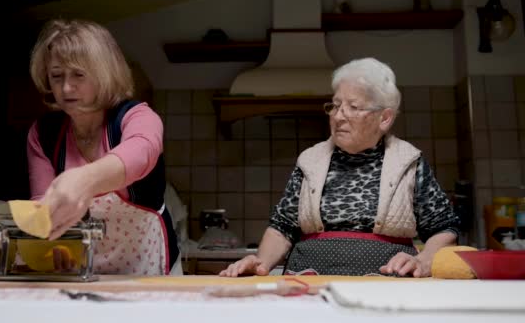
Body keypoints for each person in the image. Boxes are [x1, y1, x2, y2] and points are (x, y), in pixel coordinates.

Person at [220, 57, 460, 278]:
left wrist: (425, 260)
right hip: (307, 285)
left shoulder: (408, 161)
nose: (338, 116)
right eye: (335, 106)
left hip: (386, 289)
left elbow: (444, 228)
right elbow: (283, 227)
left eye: (353, 107)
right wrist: (260, 263)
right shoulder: (310, 160)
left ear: (385, 118)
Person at [26, 18, 181, 275]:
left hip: (151, 268)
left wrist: (85, 180)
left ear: (103, 73)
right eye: (56, 76)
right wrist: (54, 246)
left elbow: (141, 152)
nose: (65, 87)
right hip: (84, 272)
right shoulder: (43, 134)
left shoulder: (137, 117)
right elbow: (44, 207)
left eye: (78, 74)